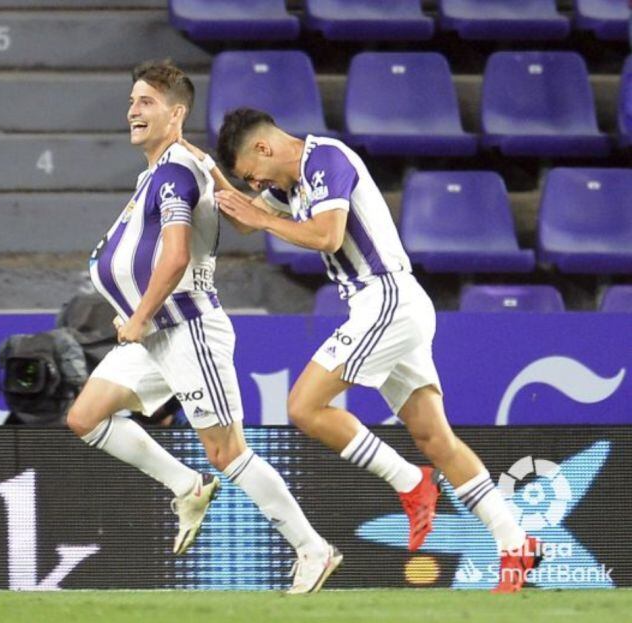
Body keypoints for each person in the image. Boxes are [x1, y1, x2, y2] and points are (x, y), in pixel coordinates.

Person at [188, 107, 540, 593]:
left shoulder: (325, 159)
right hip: (387, 307)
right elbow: (249, 216)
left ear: (264, 148)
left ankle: (411, 482)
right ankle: (515, 541)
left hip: (386, 298)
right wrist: (201, 163)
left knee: (304, 406)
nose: (253, 184)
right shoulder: (289, 185)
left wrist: (265, 221)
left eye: (251, 173)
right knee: (436, 439)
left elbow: (326, 235)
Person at [66, 61, 341, 594]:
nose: (133, 111)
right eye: (131, 101)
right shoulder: (166, 169)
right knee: (86, 416)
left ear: (177, 113)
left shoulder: (174, 171)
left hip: (185, 328)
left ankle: (313, 548)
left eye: (146, 102)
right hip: (156, 333)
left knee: (228, 451)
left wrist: (139, 315)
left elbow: (172, 258)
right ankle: (187, 486)